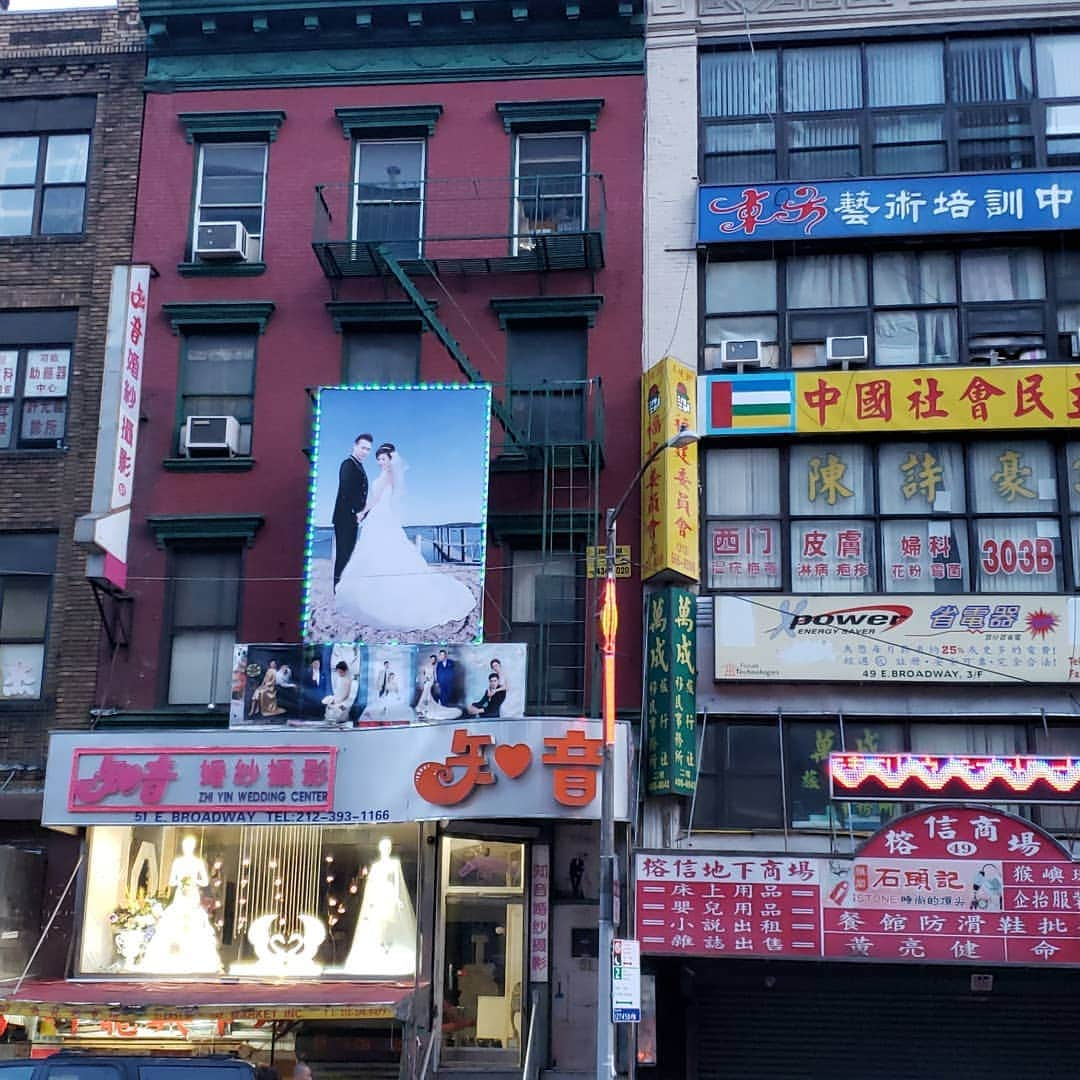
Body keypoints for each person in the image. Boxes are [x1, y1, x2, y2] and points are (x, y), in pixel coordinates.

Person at [334, 443, 474, 630]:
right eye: (379, 460)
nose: (381, 463)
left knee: (380, 551)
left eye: (383, 459)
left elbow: (375, 500)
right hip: (380, 516)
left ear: (390, 459)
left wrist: (362, 512)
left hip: (379, 516)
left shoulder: (387, 476)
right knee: (377, 553)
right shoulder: (389, 476)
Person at [141, 835, 221, 974]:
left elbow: (205, 882)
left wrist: (193, 881)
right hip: (181, 894)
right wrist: (181, 882)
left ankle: (192, 957)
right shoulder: (178, 862)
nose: (187, 848)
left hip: (193, 894)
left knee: (193, 922)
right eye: (185, 845)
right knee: (175, 921)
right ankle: (171, 956)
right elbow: (172, 881)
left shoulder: (198, 862)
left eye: (189, 845)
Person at [341, 837, 417, 975]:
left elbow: (398, 883)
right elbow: (372, 885)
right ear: (380, 849)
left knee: (389, 922)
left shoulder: (395, 864)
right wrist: (370, 903)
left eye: (388, 847)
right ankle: (381, 948)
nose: (386, 850)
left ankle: (389, 947)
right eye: (384, 847)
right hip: (378, 896)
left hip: (389, 895)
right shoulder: (376, 866)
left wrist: (398, 898)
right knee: (378, 924)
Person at [332, 433, 372, 591]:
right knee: (343, 555)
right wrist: (358, 511)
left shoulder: (358, 465)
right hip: (345, 517)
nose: (365, 452)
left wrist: (363, 512)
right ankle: (337, 589)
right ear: (354, 446)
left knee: (348, 554)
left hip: (353, 517)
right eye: (362, 448)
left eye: (368, 449)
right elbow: (347, 490)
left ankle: (342, 587)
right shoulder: (348, 464)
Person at [416, 654, 462, 720]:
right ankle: (423, 705)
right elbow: (424, 673)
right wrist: (425, 678)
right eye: (432, 659)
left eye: (434, 659)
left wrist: (435, 681)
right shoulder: (426, 666)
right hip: (427, 680)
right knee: (425, 692)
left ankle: (427, 704)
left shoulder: (434, 667)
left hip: (431, 680)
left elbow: (435, 675)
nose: (433, 660)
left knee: (428, 692)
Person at [322, 660, 355, 725]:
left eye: (341, 672)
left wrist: (341, 703)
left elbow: (349, 696)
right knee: (328, 705)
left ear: (345, 671)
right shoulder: (339, 678)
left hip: (344, 703)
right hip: (337, 700)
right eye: (338, 672)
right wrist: (334, 700)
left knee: (338, 711)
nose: (339, 674)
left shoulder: (350, 681)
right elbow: (337, 692)